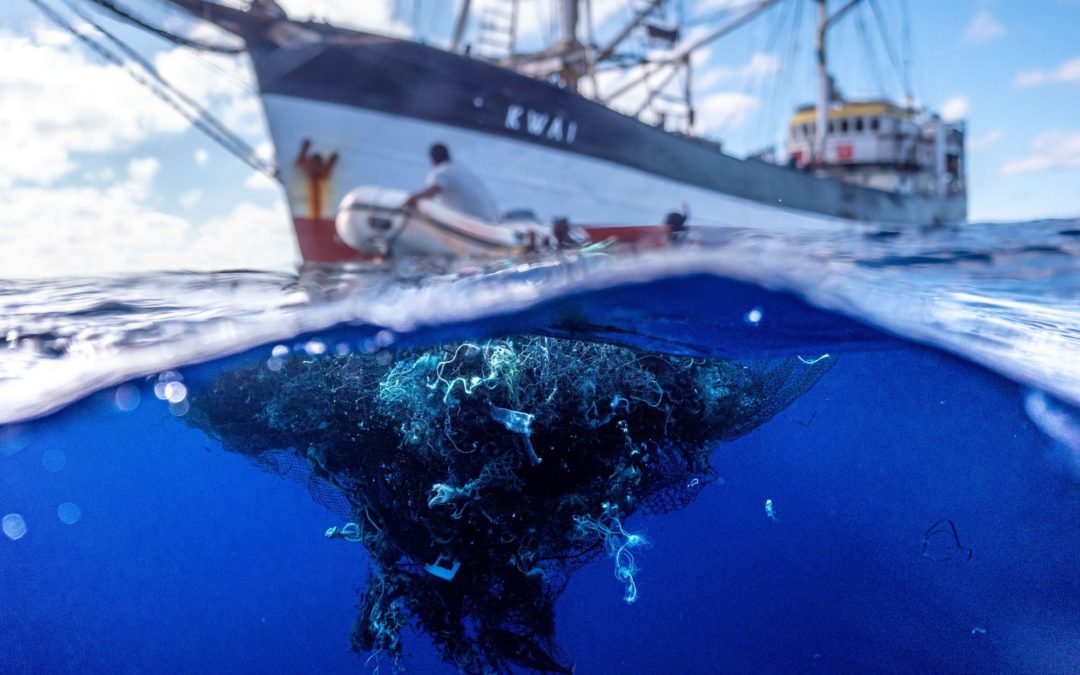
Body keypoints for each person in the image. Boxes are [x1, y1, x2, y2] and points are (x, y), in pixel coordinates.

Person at [404, 143, 500, 222]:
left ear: (432, 160)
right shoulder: (459, 168)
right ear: (449, 155)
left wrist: (413, 198)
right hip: (492, 219)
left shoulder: (441, 172)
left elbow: (433, 190)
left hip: (476, 223)